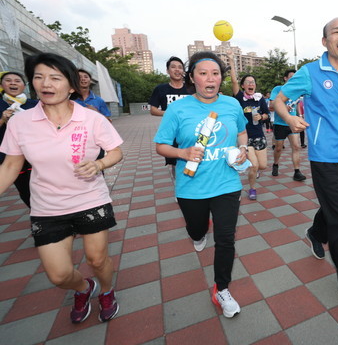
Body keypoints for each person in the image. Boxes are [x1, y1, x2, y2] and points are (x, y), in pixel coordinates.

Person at [0, 53, 123, 324]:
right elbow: (10, 166)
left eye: (55, 78)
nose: (47, 83)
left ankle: (106, 289)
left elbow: (115, 151)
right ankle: (83, 288)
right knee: (58, 275)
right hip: (47, 206)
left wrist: (99, 164)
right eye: (40, 77)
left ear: (70, 86)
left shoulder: (91, 119)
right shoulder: (20, 123)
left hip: (90, 199)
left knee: (97, 260)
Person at [273, 17, 338, 314]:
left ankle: (315, 234)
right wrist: (290, 118)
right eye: (336, 32)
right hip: (323, 157)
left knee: (334, 209)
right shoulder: (310, 72)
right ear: (325, 41)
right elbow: (279, 101)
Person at [154, 51, 248, 318]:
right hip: (191, 186)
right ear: (192, 78)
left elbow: (241, 132)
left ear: (221, 78)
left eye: (215, 73)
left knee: (226, 238)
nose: (210, 78)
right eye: (203, 73)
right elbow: (161, 145)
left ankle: (222, 288)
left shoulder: (231, 104)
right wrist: (182, 153)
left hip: (227, 183)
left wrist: (243, 148)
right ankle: (197, 232)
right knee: (196, 229)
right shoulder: (177, 109)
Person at [230, 62, 270, 200]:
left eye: (252, 82)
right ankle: (252, 189)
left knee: (262, 166)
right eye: (247, 82)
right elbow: (234, 80)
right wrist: (231, 59)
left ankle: (255, 171)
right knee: (254, 165)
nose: (250, 84)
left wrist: (261, 116)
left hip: (259, 135)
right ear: (243, 86)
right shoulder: (240, 98)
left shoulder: (259, 99)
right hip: (246, 137)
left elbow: (267, 114)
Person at [149, 56, 193, 175]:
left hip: (191, 131)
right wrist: (169, 114)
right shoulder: (161, 89)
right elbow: (153, 110)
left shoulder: (191, 89)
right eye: (173, 67)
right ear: (168, 70)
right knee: (175, 163)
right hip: (172, 133)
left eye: (180, 67)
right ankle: (180, 188)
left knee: (194, 157)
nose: (177, 70)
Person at [0, 71, 38, 207]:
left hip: (37, 154)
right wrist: (3, 119)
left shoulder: (35, 104)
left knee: (45, 187)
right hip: (12, 157)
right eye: (8, 80)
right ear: (2, 85)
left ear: (24, 85)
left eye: (17, 81)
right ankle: (37, 214)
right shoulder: (1, 106)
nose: (13, 83)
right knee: (26, 190)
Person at [269, 69, 306, 181]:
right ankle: (275, 164)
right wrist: (283, 107)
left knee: (296, 146)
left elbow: (297, 106)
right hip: (280, 123)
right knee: (279, 148)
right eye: (291, 77)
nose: (293, 79)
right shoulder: (278, 89)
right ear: (285, 78)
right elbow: (271, 106)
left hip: (292, 123)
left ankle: (297, 171)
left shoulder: (296, 91)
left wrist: (299, 116)